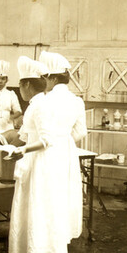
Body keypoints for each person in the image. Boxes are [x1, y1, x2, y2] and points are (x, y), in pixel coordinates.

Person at [6, 56, 73, 253]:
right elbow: (23, 135)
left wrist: (21, 151)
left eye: (20, 87)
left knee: (38, 212)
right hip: (35, 163)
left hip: (42, 164)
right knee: (30, 211)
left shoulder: (41, 105)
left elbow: (45, 140)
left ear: (25, 85)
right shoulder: (36, 104)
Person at [39, 50, 88, 243]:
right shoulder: (76, 101)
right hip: (66, 150)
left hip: (46, 150)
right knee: (63, 193)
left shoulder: (44, 100)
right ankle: (61, 238)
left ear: (50, 78)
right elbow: (81, 132)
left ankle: (46, 239)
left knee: (46, 193)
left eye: (43, 77)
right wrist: (65, 139)